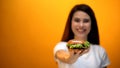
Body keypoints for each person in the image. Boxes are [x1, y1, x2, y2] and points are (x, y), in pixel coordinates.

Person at [53, 4, 110, 68]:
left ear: (92, 24)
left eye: (86, 21)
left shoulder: (100, 51)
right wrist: (70, 58)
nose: (81, 25)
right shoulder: (61, 46)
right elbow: (61, 55)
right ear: (70, 22)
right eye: (77, 20)